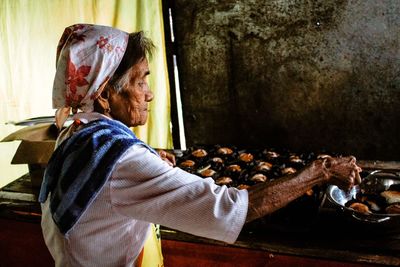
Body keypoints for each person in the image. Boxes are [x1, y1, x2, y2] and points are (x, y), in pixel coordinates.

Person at [39, 24, 362, 267]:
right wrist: (321, 171)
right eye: (140, 81)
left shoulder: (77, 131)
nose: (149, 93)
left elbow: (109, 177)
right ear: (105, 94)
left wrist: (148, 157)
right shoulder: (122, 160)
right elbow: (232, 208)